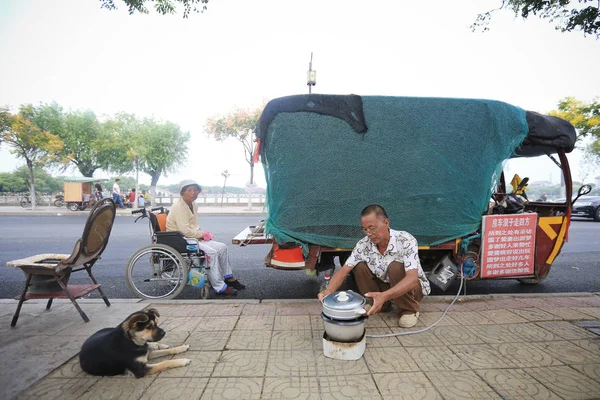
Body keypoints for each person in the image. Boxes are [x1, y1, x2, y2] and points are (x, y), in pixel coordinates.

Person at [317, 204, 430, 328]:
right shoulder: (363, 244)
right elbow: (344, 270)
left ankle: (409, 309)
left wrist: (384, 295)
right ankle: (382, 304)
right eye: (365, 229)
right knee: (359, 267)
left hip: (412, 290)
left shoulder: (406, 240)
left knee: (396, 267)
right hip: (385, 285)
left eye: (372, 228)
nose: (369, 234)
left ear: (386, 223)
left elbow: (412, 279)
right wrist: (329, 291)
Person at [166, 179, 245, 296]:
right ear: (182, 192)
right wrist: (202, 235)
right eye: (189, 190)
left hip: (192, 237)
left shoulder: (193, 204)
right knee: (211, 252)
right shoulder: (179, 206)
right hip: (181, 239)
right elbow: (184, 231)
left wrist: (202, 234)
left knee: (222, 247)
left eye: (196, 190)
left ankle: (229, 278)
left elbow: (193, 226)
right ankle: (219, 286)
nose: (193, 192)